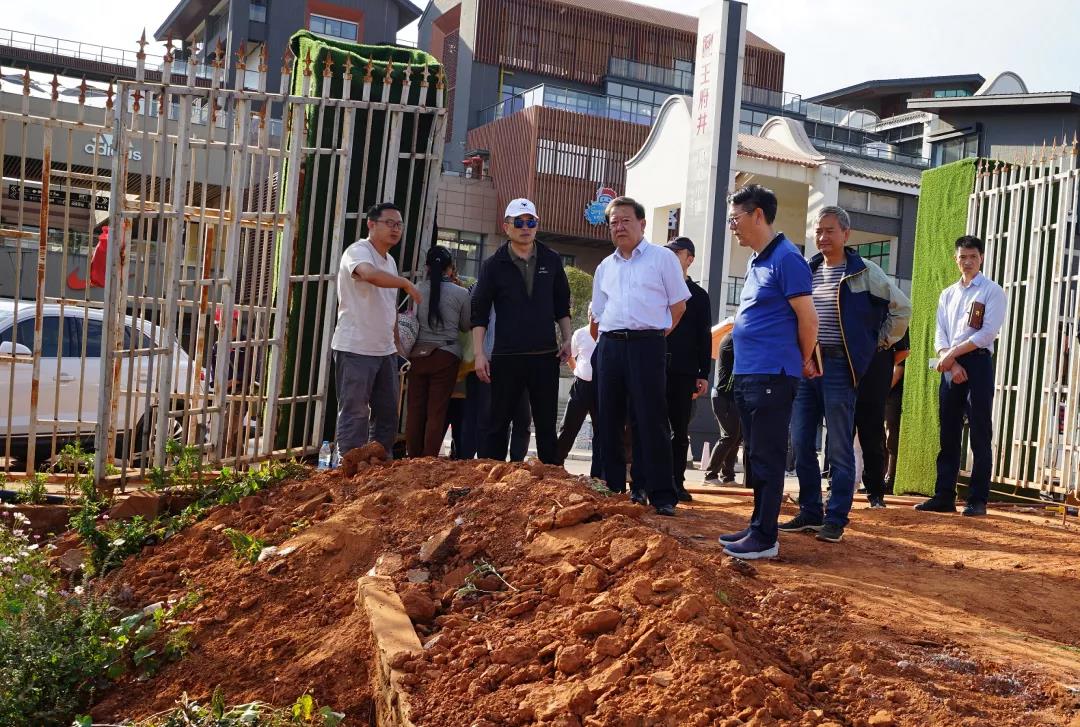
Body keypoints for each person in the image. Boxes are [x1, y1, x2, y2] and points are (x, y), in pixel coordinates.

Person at [781, 206, 911, 543]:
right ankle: (811, 511)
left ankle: (836, 517)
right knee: (801, 440)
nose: (823, 237)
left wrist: (876, 342)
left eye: (830, 231)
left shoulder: (865, 272)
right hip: (808, 365)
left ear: (846, 235)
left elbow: (903, 308)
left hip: (840, 366)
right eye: (819, 231)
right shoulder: (806, 271)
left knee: (839, 445)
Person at [718, 184, 817, 560]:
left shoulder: (787, 259)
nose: (733, 226)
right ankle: (757, 525)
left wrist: (800, 359)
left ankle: (765, 538)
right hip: (749, 373)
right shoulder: (757, 259)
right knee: (755, 454)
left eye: (735, 218)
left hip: (773, 375)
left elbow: (808, 320)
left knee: (768, 456)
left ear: (757, 214)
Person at [592, 196, 690, 516]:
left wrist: (655, 337)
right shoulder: (605, 266)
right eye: (614, 223)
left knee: (650, 419)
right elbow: (600, 312)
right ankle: (613, 487)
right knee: (608, 419)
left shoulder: (662, 259)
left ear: (642, 223)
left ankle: (659, 492)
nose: (619, 227)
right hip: (611, 346)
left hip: (648, 344)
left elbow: (678, 307)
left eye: (626, 220)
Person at [471, 199, 571, 464]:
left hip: (545, 355)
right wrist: (479, 354)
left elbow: (562, 304)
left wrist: (568, 338)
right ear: (506, 226)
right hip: (506, 356)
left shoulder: (551, 259)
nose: (526, 227)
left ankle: (551, 482)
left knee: (546, 425)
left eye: (531, 222)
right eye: (519, 222)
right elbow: (479, 311)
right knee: (497, 424)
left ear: (537, 225)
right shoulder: (493, 265)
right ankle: (491, 482)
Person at [916, 235, 1007, 517]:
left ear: (981, 258)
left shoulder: (992, 291)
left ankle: (977, 499)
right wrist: (951, 362)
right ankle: (944, 494)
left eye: (973, 257)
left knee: (980, 431)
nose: (967, 262)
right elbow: (939, 333)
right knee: (949, 431)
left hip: (978, 363)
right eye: (962, 257)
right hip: (950, 365)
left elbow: (987, 333)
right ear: (956, 260)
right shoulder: (948, 294)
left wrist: (953, 354)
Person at [331, 202, 421, 456]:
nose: (395, 229)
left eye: (399, 224)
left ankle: (379, 467)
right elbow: (368, 274)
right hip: (355, 348)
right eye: (389, 223)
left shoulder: (390, 261)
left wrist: (397, 346)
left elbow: (388, 308)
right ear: (371, 224)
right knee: (355, 412)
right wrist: (404, 282)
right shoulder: (357, 251)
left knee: (387, 414)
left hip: (385, 351)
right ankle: (350, 466)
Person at [405, 246, 471, 457]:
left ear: (426, 267)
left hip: (417, 356)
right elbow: (466, 325)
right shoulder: (461, 293)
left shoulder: (416, 288)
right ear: (450, 269)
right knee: (437, 410)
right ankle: (429, 459)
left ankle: (412, 457)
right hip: (446, 355)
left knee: (415, 409)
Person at [663, 237, 712, 502]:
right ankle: (648, 479)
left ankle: (677, 482)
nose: (669, 256)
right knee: (650, 425)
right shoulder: (656, 289)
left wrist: (703, 373)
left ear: (689, 258)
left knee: (679, 430)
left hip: (684, 371)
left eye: (676, 253)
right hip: (654, 367)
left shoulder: (700, 296)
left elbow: (704, 337)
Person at [858, 330, 910, 504]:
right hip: (848, 379)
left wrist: (879, 372)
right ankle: (838, 488)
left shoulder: (891, 307)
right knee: (842, 439)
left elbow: (902, 354)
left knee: (877, 439)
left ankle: (877, 492)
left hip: (878, 385)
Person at [556, 306, 601, 476]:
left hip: (601, 388)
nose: (593, 318)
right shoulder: (580, 333)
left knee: (601, 433)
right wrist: (576, 371)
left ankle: (598, 474)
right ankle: (556, 465)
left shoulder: (607, 334)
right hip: (581, 386)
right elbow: (570, 356)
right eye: (591, 314)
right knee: (568, 426)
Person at [704, 328, 741, 485]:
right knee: (729, 436)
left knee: (736, 437)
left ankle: (728, 476)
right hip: (723, 396)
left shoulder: (735, 338)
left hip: (729, 397)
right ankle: (710, 475)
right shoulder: (731, 340)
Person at [883, 338, 909, 492]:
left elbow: (897, 372)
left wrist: (879, 391)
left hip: (893, 395)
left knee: (891, 437)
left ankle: (890, 479)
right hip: (883, 394)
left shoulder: (900, 338)